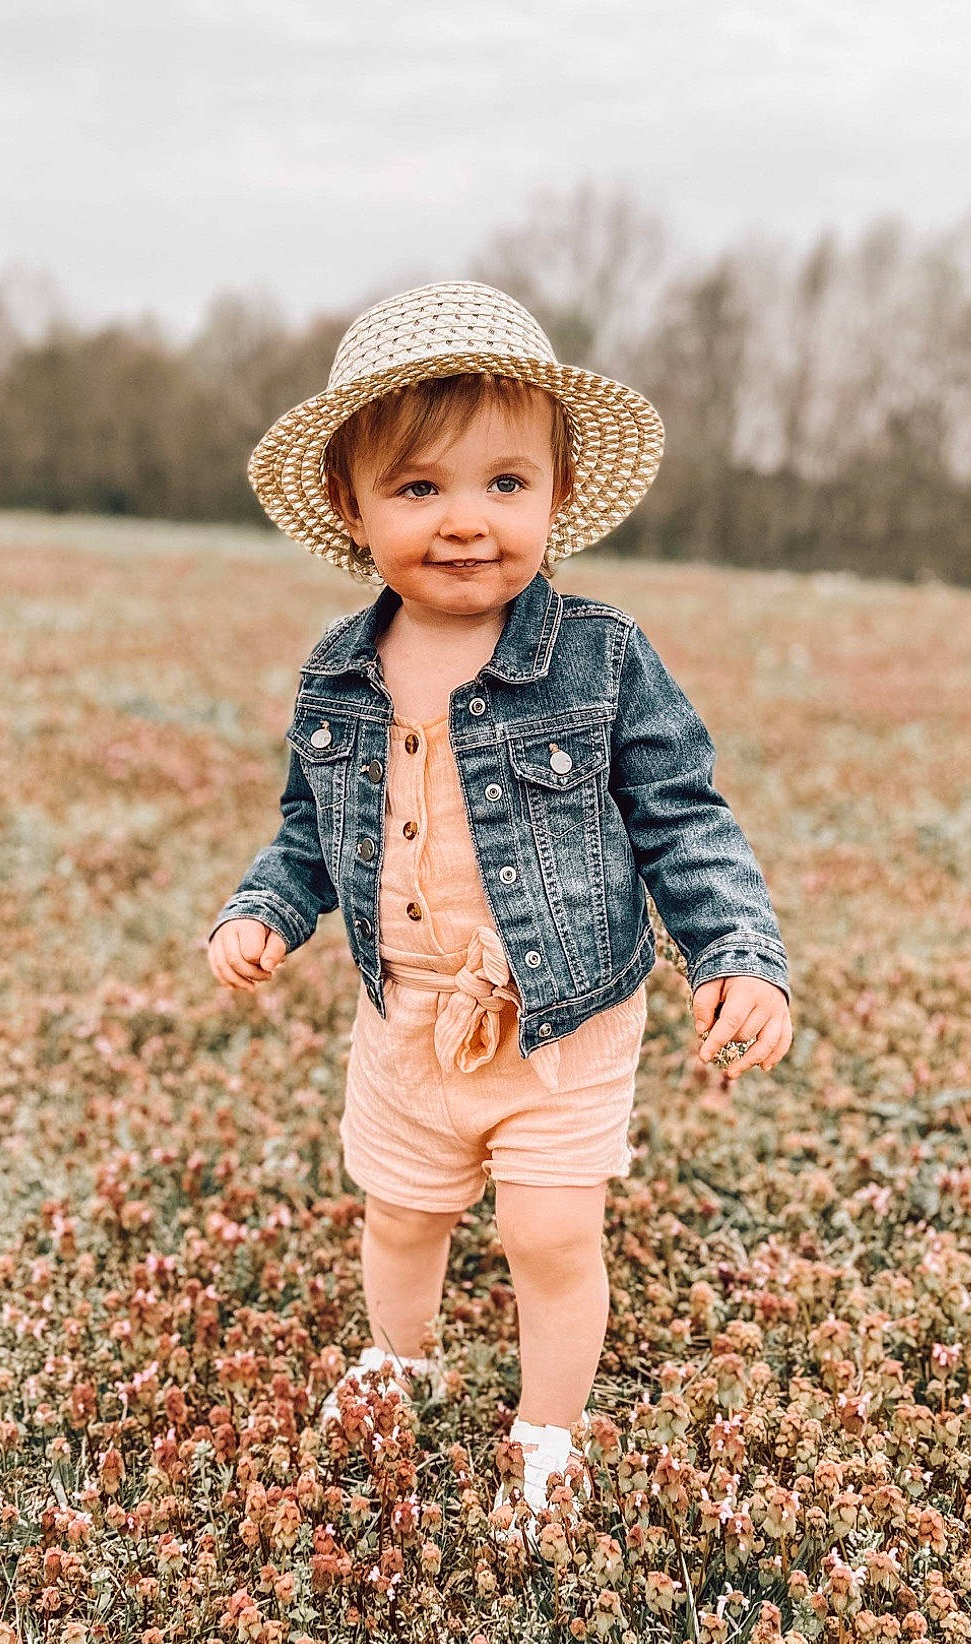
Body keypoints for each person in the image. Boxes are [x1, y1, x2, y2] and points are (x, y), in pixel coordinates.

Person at [206, 279, 793, 1550]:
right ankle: (398, 1360)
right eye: (419, 489)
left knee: (548, 1226)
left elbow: (685, 818)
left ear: (558, 495)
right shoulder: (340, 668)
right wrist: (265, 908)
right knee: (401, 1211)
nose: (466, 522)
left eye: (505, 485)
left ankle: (547, 1432)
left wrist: (737, 956)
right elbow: (313, 827)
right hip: (406, 1015)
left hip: (561, 1015)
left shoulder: (603, 656)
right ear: (354, 510)